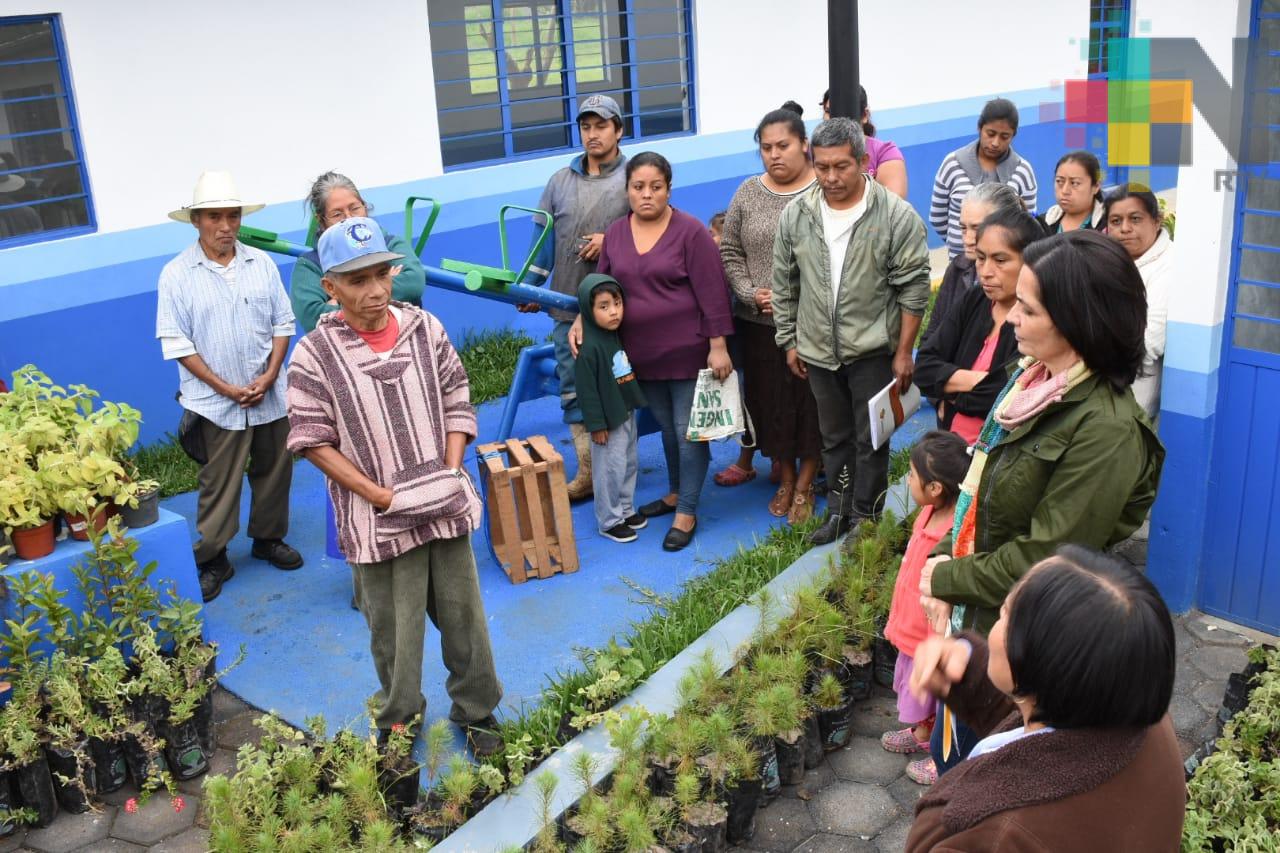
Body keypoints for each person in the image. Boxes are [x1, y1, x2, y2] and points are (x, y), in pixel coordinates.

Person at [918, 229, 1165, 773]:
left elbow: (1044, 559)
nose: (1010, 318)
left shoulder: (1106, 432)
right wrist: (948, 564)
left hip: (1021, 647)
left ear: (1078, 322)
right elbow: (986, 494)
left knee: (983, 771)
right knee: (953, 749)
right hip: (982, 616)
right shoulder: (1030, 381)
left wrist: (946, 577)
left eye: (1027, 309)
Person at [285, 217, 503, 756]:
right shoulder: (314, 354)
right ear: (330, 287)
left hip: (443, 507)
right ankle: (400, 720)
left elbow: (457, 397)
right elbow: (311, 440)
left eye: (381, 273)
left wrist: (449, 472)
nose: (376, 290)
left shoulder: (424, 328)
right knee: (393, 633)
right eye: (357, 280)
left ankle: (477, 709)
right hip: (376, 521)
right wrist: (381, 496)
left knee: (464, 619)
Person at [906, 547, 1185, 850]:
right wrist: (967, 671)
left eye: (1006, 612)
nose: (998, 617)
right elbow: (1037, 731)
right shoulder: (1136, 709)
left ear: (1039, 662)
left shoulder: (996, 838)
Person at [772, 117, 931, 548]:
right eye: (821, 166)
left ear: (862, 161)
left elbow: (914, 288)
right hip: (818, 350)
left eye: (841, 166)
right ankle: (839, 512)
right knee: (834, 438)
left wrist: (904, 351)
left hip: (873, 350)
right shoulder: (798, 214)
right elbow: (785, 283)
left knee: (871, 438)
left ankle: (866, 516)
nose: (830, 177)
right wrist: (789, 340)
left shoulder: (895, 215)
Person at [575, 151, 735, 552]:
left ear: (668, 189)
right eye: (638, 187)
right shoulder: (616, 233)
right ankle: (675, 491)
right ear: (627, 190)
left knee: (687, 431)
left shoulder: (691, 232)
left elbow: (713, 292)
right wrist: (581, 319)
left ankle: (687, 511)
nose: (646, 194)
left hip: (688, 354)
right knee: (666, 426)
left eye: (655, 187)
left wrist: (718, 345)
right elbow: (601, 286)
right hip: (640, 356)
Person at [156, 171, 302, 603]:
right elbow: (177, 344)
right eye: (214, 217)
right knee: (218, 481)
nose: (225, 226)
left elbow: (283, 323)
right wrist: (225, 387)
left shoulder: (261, 264)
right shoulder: (177, 274)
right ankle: (213, 558)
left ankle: (268, 539)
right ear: (196, 221)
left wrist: (271, 375)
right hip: (214, 401)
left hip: (268, 393)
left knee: (275, 468)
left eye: (232, 216)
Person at [518, 94, 632, 501]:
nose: (592, 134)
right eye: (586, 127)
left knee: (620, 387)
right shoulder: (559, 182)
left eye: (601, 126)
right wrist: (530, 288)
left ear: (619, 130)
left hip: (620, 312)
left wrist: (611, 240)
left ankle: (619, 475)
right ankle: (587, 471)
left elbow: (652, 229)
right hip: (567, 309)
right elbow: (542, 243)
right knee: (573, 389)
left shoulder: (634, 178)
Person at [719, 107, 823, 523]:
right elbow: (730, 250)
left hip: (814, 325)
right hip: (759, 324)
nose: (774, 154)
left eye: (783, 145)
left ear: (804, 144)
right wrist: (749, 293)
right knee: (771, 404)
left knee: (812, 404)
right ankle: (785, 476)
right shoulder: (748, 192)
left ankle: (806, 482)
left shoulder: (822, 190)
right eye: (766, 147)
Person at [880, 430, 968, 787]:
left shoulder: (954, 529)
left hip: (928, 631)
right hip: (910, 618)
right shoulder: (928, 511)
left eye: (912, 476)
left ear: (934, 488)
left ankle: (942, 755)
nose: (907, 481)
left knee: (934, 690)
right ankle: (922, 732)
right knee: (914, 682)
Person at [915, 207, 1042, 444]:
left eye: (1000, 260)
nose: (985, 272)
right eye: (981, 258)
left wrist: (949, 393)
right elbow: (923, 369)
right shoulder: (974, 299)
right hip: (952, 448)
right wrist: (981, 380)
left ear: (1031, 262)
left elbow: (1006, 397)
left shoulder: (1038, 319)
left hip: (998, 452)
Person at [290, 171, 427, 333]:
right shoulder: (310, 264)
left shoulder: (390, 244)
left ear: (365, 207)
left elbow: (413, 283)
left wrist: (339, 299)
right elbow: (311, 316)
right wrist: (388, 283)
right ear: (321, 220)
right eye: (337, 214)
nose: (349, 218)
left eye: (355, 208)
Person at [574, 273, 647, 543]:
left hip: (625, 412)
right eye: (604, 306)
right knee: (609, 470)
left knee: (628, 463)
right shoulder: (588, 348)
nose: (614, 312)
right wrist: (596, 425)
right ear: (588, 310)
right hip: (607, 421)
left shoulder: (613, 335)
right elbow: (587, 392)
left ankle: (625, 509)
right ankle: (609, 520)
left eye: (617, 304)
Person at [930, 98, 1039, 258]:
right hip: (959, 261)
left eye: (1004, 136)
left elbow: (1028, 223)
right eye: (990, 134)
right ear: (979, 128)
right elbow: (937, 217)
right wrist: (961, 243)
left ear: (1013, 136)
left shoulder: (1023, 171)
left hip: (1001, 264)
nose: (995, 143)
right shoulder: (952, 164)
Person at [920, 183, 1024, 344]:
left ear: (1007, 225)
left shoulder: (1027, 278)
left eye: (977, 228)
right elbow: (932, 336)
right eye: (963, 228)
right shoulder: (958, 268)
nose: (968, 240)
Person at [1105, 185, 1173, 419]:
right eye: (1116, 221)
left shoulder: (1169, 266)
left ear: (1157, 221)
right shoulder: (1107, 259)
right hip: (1092, 391)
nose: (1125, 228)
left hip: (1130, 401)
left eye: (1135, 219)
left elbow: (1147, 341)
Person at [820, 86, 908, 198]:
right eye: (828, 112)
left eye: (845, 112)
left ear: (865, 115)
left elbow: (893, 203)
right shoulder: (813, 152)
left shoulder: (885, 152)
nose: (835, 119)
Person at [1036, 150, 1106, 235]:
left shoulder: (1107, 226)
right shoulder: (1043, 224)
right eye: (1059, 181)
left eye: (1075, 183)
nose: (1065, 191)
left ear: (1096, 186)